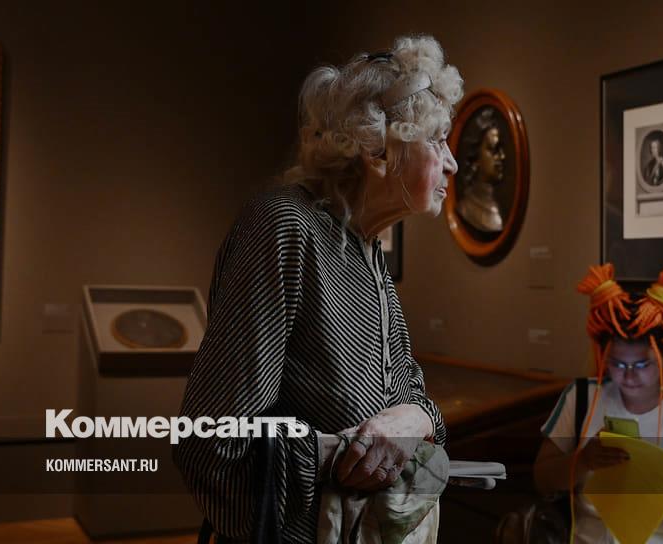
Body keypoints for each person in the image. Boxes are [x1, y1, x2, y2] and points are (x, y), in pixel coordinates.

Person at [173, 35, 462, 542]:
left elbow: (408, 395)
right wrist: (344, 457)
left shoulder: (367, 251)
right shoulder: (285, 227)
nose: (452, 162)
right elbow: (212, 442)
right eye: (437, 140)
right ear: (377, 150)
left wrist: (417, 419)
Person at [533, 263, 663, 543]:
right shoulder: (582, 397)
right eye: (617, 364)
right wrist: (583, 461)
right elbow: (541, 478)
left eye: (642, 364)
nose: (628, 376)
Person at [454, 107, 506, 232]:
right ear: (476, 157)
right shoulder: (467, 207)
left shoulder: (495, 206)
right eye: (493, 149)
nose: (502, 156)